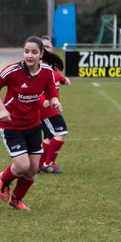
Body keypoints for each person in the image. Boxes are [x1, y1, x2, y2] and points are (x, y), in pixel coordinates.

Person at [0, 36, 60, 211]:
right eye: (26, 51)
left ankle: (16, 199)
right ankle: (4, 180)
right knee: (22, 166)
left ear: (41, 54)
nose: (29, 55)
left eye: (34, 52)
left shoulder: (46, 72)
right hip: (12, 125)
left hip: (33, 125)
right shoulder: (13, 71)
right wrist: (2, 109)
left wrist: (55, 102)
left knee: (32, 170)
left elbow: (51, 93)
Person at [37, 40, 71, 174]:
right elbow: (36, 87)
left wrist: (62, 79)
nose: (46, 49)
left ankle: (39, 165)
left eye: (48, 46)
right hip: (46, 109)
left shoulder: (51, 67)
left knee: (48, 137)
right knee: (60, 132)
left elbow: (53, 75)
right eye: (43, 47)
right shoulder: (38, 67)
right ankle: (48, 164)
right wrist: (43, 100)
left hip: (52, 107)